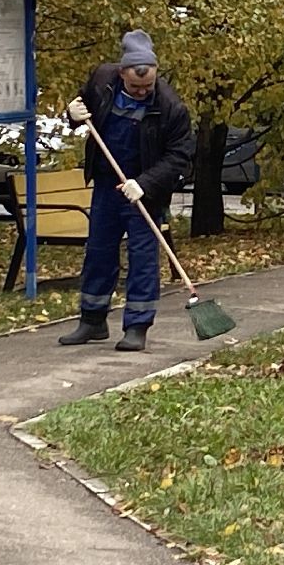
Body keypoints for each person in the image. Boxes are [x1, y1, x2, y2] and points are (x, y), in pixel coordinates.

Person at [58, 30, 194, 353]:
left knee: (143, 258)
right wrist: (72, 115)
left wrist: (144, 184)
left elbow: (180, 157)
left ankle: (137, 326)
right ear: (122, 74)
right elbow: (82, 107)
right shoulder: (102, 80)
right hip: (108, 184)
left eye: (147, 86)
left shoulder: (171, 107)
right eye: (135, 86)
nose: (142, 91)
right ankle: (92, 320)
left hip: (144, 190)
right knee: (99, 250)